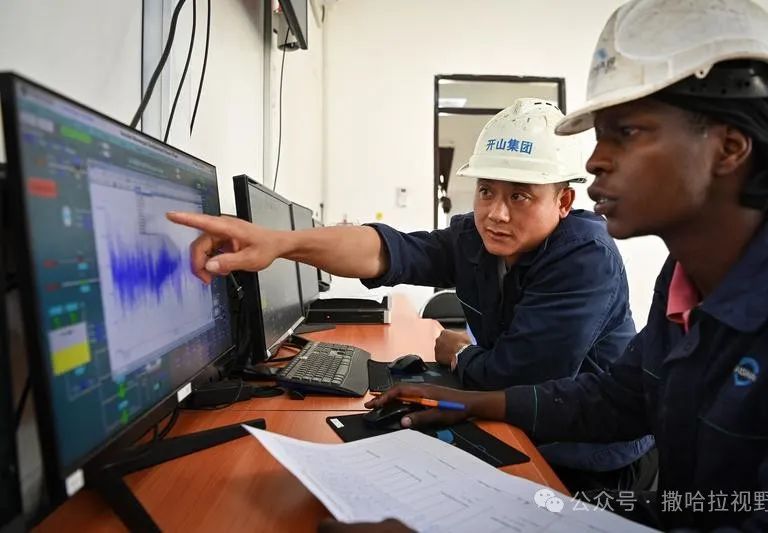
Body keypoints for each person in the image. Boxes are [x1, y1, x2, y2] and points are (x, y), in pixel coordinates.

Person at [366, 0, 768, 529]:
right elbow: (619, 399)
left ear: (729, 147)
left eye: (628, 132)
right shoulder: (686, 277)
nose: (594, 161)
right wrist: (469, 404)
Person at [167, 99, 653, 490]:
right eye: (486, 191)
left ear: (564, 201)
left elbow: (517, 378)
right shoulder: (475, 239)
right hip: (515, 425)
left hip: (585, 458)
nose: (496, 214)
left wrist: (461, 354)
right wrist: (281, 244)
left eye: (519, 195)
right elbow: (388, 250)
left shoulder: (584, 255)